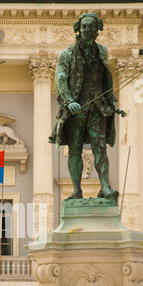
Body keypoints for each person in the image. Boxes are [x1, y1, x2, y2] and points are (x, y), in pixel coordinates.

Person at [49, 12, 120, 201]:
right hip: (75, 109)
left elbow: (106, 77)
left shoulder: (102, 51)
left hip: (98, 106)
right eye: (84, 26)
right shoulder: (67, 54)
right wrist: (69, 100)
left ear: (97, 30)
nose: (88, 29)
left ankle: (104, 186)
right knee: (75, 149)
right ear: (78, 30)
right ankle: (76, 190)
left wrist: (111, 100)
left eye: (91, 26)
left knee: (100, 149)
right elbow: (61, 79)